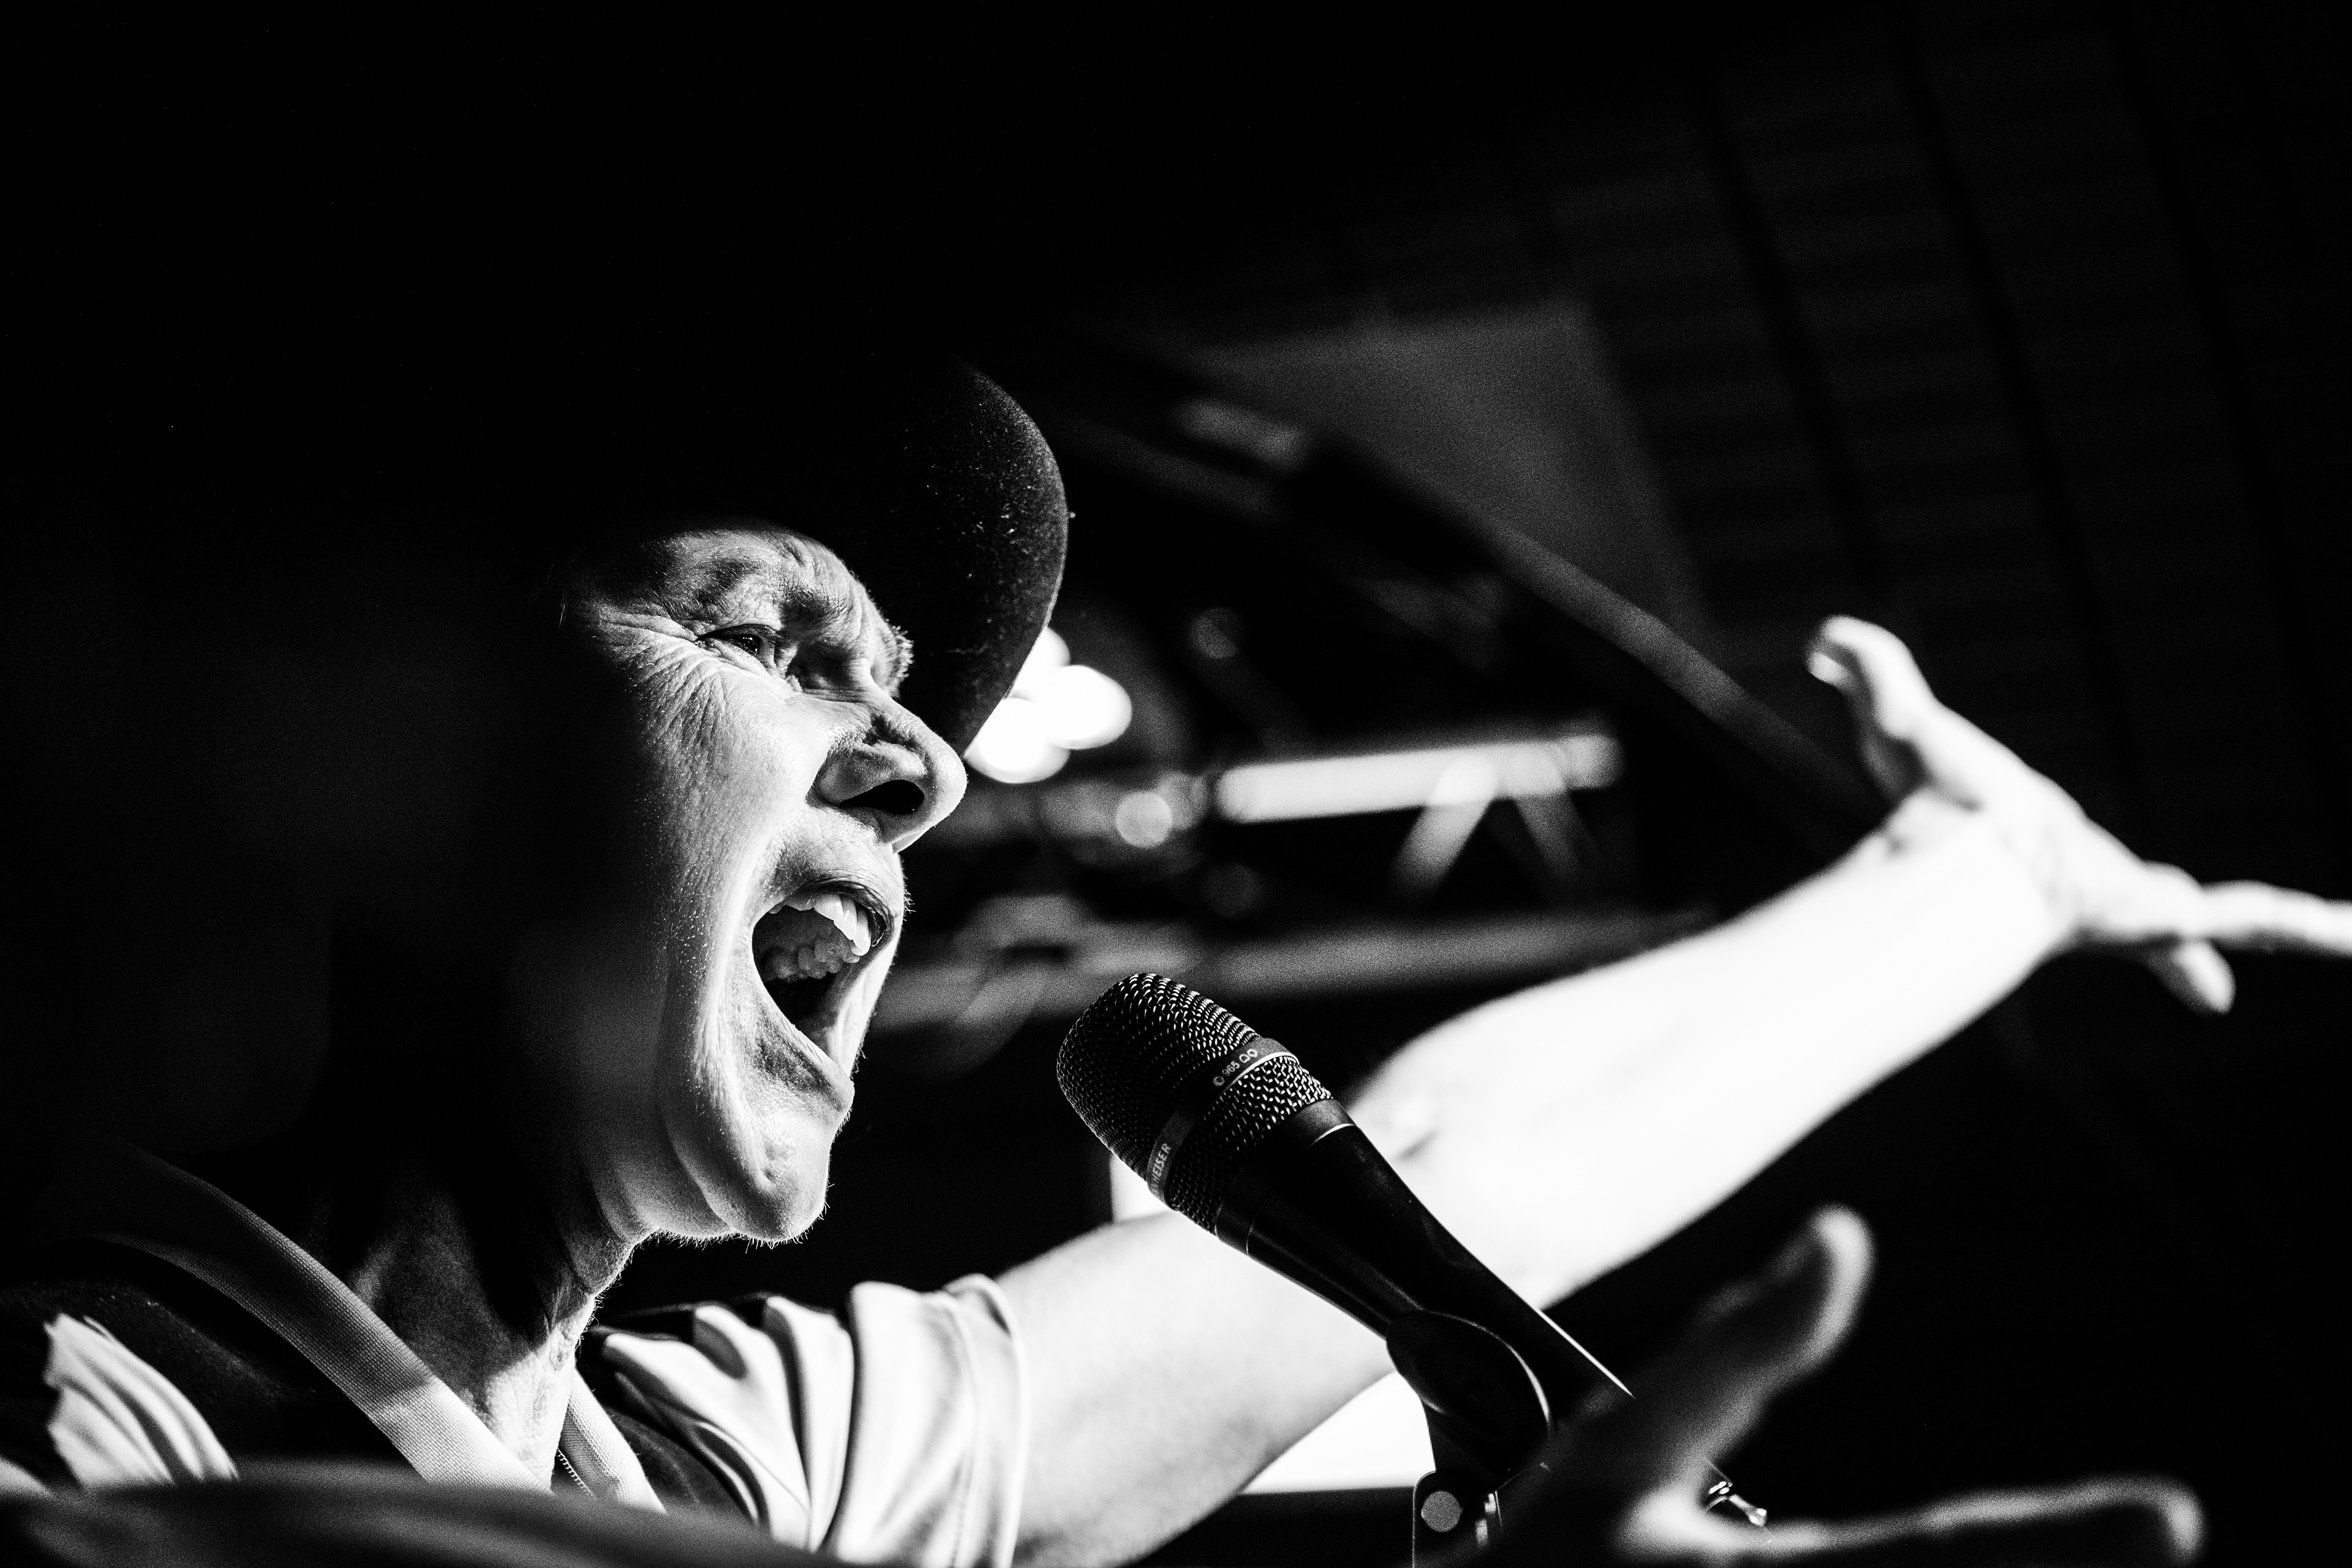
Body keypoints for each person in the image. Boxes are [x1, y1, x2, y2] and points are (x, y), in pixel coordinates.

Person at [1, 357, 2345, 1567]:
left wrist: (1972, 888)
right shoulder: (73, 1405)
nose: (921, 772)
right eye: (770, 637)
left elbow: (1423, 1200)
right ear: (394, 751)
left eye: (913, 716)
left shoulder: (729, 1469)